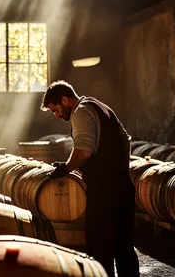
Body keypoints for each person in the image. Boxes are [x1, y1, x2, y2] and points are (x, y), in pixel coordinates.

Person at [40, 80, 139, 277]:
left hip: (104, 191)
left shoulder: (81, 112)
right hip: (122, 186)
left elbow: (84, 150)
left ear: (65, 100)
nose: (57, 115)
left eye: (55, 110)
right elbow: (125, 140)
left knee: (99, 246)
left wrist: (66, 168)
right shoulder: (99, 106)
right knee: (123, 245)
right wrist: (118, 170)